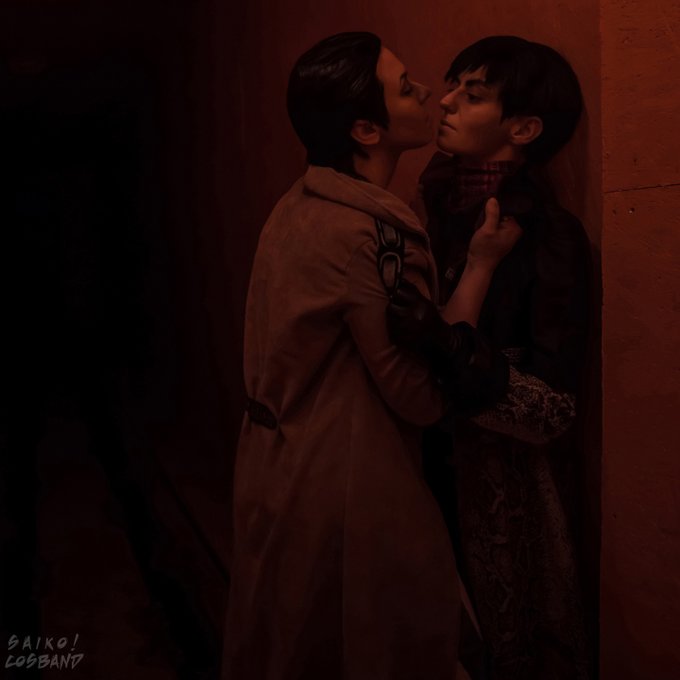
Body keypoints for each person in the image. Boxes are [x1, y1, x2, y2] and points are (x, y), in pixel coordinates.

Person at [221, 32, 524, 680]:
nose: (431, 94)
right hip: (349, 486)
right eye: (407, 88)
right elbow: (418, 396)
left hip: (275, 465)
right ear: (365, 130)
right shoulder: (375, 234)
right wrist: (479, 271)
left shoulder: (298, 204)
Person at [406, 36, 591, 680]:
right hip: (421, 466)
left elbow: (554, 408)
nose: (446, 102)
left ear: (524, 129)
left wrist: (455, 357)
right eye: (452, 86)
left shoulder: (546, 234)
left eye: (474, 94)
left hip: (502, 491)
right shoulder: (434, 204)